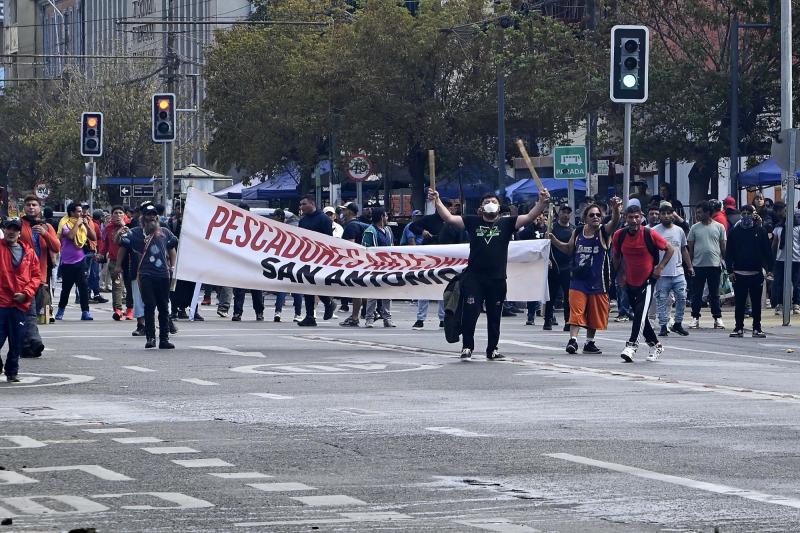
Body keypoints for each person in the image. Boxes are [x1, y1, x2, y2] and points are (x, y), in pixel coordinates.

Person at [427, 188, 551, 361]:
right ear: (481, 208)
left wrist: (542, 201)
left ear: (499, 207)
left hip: (497, 279)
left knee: (494, 316)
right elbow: (449, 218)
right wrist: (437, 201)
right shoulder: (472, 222)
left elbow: (530, 216)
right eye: (486, 202)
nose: (490, 205)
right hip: (474, 278)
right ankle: (467, 347)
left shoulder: (507, 223)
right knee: (470, 314)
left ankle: (492, 349)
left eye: (493, 202)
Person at [550, 198, 621, 355]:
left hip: (598, 281)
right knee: (576, 311)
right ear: (585, 218)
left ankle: (589, 342)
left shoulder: (604, 232)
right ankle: (573, 341)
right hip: (578, 280)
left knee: (594, 314)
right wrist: (553, 241)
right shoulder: (577, 232)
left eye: (598, 215)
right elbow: (568, 249)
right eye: (591, 215)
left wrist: (615, 209)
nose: (595, 217)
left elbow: (615, 222)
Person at [613, 204, 674, 362]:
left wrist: (659, 267)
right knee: (641, 318)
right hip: (629, 282)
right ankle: (655, 345)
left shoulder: (649, 234)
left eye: (637, 217)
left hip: (647, 280)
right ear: (625, 218)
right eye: (630, 217)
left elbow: (670, 249)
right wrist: (620, 276)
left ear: (641, 218)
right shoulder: (619, 235)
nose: (634, 220)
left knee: (640, 314)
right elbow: (617, 257)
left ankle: (632, 345)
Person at [116, 203, 177, 349]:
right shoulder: (134, 233)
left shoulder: (165, 232)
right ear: (143, 217)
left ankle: (164, 339)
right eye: (148, 215)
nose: (152, 217)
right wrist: (118, 265)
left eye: (154, 214)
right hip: (145, 274)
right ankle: (150, 338)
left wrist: (172, 267)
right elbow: (122, 246)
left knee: (163, 307)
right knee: (149, 306)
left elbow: (172, 248)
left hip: (163, 275)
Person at [0, 219, 41, 382]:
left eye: (15, 230)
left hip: (20, 304)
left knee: (16, 341)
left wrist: (26, 293)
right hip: (1, 302)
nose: (11, 232)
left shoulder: (29, 252)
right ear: (4, 230)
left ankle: (12, 371)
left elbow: (36, 276)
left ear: (19, 233)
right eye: (8, 229)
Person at [19, 195, 59, 358]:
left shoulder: (47, 226)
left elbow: (56, 247)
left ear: (40, 207)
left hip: (41, 275)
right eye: (28, 205)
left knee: (32, 311)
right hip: (22, 276)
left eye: (34, 205)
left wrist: (45, 234)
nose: (31, 207)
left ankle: (25, 346)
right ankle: (34, 341)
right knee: (30, 311)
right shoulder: (19, 225)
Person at [726, 205, 773, 337]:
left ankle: (756, 328)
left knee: (756, 304)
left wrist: (770, 269)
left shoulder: (761, 231)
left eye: (749, 213)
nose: (746, 216)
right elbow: (729, 253)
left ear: (754, 214)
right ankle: (738, 328)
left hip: (756, 273)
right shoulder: (734, 232)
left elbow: (767, 252)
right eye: (743, 213)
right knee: (740, 303)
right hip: (739, 274)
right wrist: (730, 271)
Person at [652, 203, 692, 337]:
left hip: (678, 271)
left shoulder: (679, 231)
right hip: (662, 273)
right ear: (660, 216)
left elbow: (684, 249)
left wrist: (690, 266)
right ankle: (663, 325)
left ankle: (678, 323)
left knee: (682, 297)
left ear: (673, 214)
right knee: (662, 299)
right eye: (663, 213)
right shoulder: (654, 231)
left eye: (669, 213)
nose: (666, 216)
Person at [297, 195, 336, 326]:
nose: (301, 207)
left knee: (315, 284)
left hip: (320, 258)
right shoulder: (303, 221)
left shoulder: (324, 219)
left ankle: (328, 303)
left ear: (312, 203)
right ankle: (310, 316)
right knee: (307, 286)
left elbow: (329, 241)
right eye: (300, 205)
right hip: (305, 258)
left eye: (304, 204)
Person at [688, 201, 727, 329]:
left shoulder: (719, 227)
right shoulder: (694, 228)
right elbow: (690, 248)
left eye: (700, 212)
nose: (698, 215)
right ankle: (695, 317)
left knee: (714, 293)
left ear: (708, 212)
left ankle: (717, 318)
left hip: (714, 265)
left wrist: (726, 263)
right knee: (697, 294)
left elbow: (723, 246)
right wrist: (690, 265)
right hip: (698, 266)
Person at [55, 203, 97, 321]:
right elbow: (70, 236)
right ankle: (60, 311)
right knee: (66, 289)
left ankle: (85, 312)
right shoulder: (65, 224)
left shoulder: (83, 224)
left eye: (82, 211)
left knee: (83, 288)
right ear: (72, 213)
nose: (82, 213)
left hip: (80, 261)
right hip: (67, 263)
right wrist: (78, 224)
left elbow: (93, 237)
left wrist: (87, 226)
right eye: (79, 211)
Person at [362, 207, 397, 328]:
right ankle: (369, 318)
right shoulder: (370, 231)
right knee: (373, 293)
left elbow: (392, 247)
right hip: (374, 267)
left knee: (387, 293)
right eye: (386, 216)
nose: (387, 218)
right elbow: (366, 249)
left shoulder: (388, 230)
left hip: (387, 266)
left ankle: (387, 318)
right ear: (381, 217)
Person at [231, 203, 265, 322]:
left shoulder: (255, 226)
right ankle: (237, 313)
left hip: (254, 262)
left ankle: (259, 312)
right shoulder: (234, 226)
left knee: (256, 290)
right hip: (240, 262)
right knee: (239, 290)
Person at [543, 205, 574, 331]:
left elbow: (573, 249)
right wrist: (548, 259)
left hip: (567, 267)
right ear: (559, 213)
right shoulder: (551, 228)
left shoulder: (573, 230)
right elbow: (545, 247)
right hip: (553, 266)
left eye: (568, 212)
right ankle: (548, 320)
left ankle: (568, 321)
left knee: (568, 297)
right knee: (550, 296)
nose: (565, 215)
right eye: (563, 212)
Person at [101, 206, 132, 321]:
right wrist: (101, 254)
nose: (118, 215)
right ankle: (118, 310)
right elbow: (106, 243)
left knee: (130, 287)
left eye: (120, 213)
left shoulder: (131, 225)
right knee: (117, 286)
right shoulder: (108, 227)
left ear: (124, 215)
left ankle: (130, 309)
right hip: (114, 261)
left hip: (129, 261)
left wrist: (124, 226)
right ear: (112, 215)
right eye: (115, 213)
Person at [771, 208, 800, 315]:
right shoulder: (778, 227)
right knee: (779, 283)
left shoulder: (798, 227)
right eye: (785, 211)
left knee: (796, 283)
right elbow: (775, 244)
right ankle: (779, 304)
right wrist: (772, 257)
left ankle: (796, 303)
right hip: (781, 259)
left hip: (796, 258)